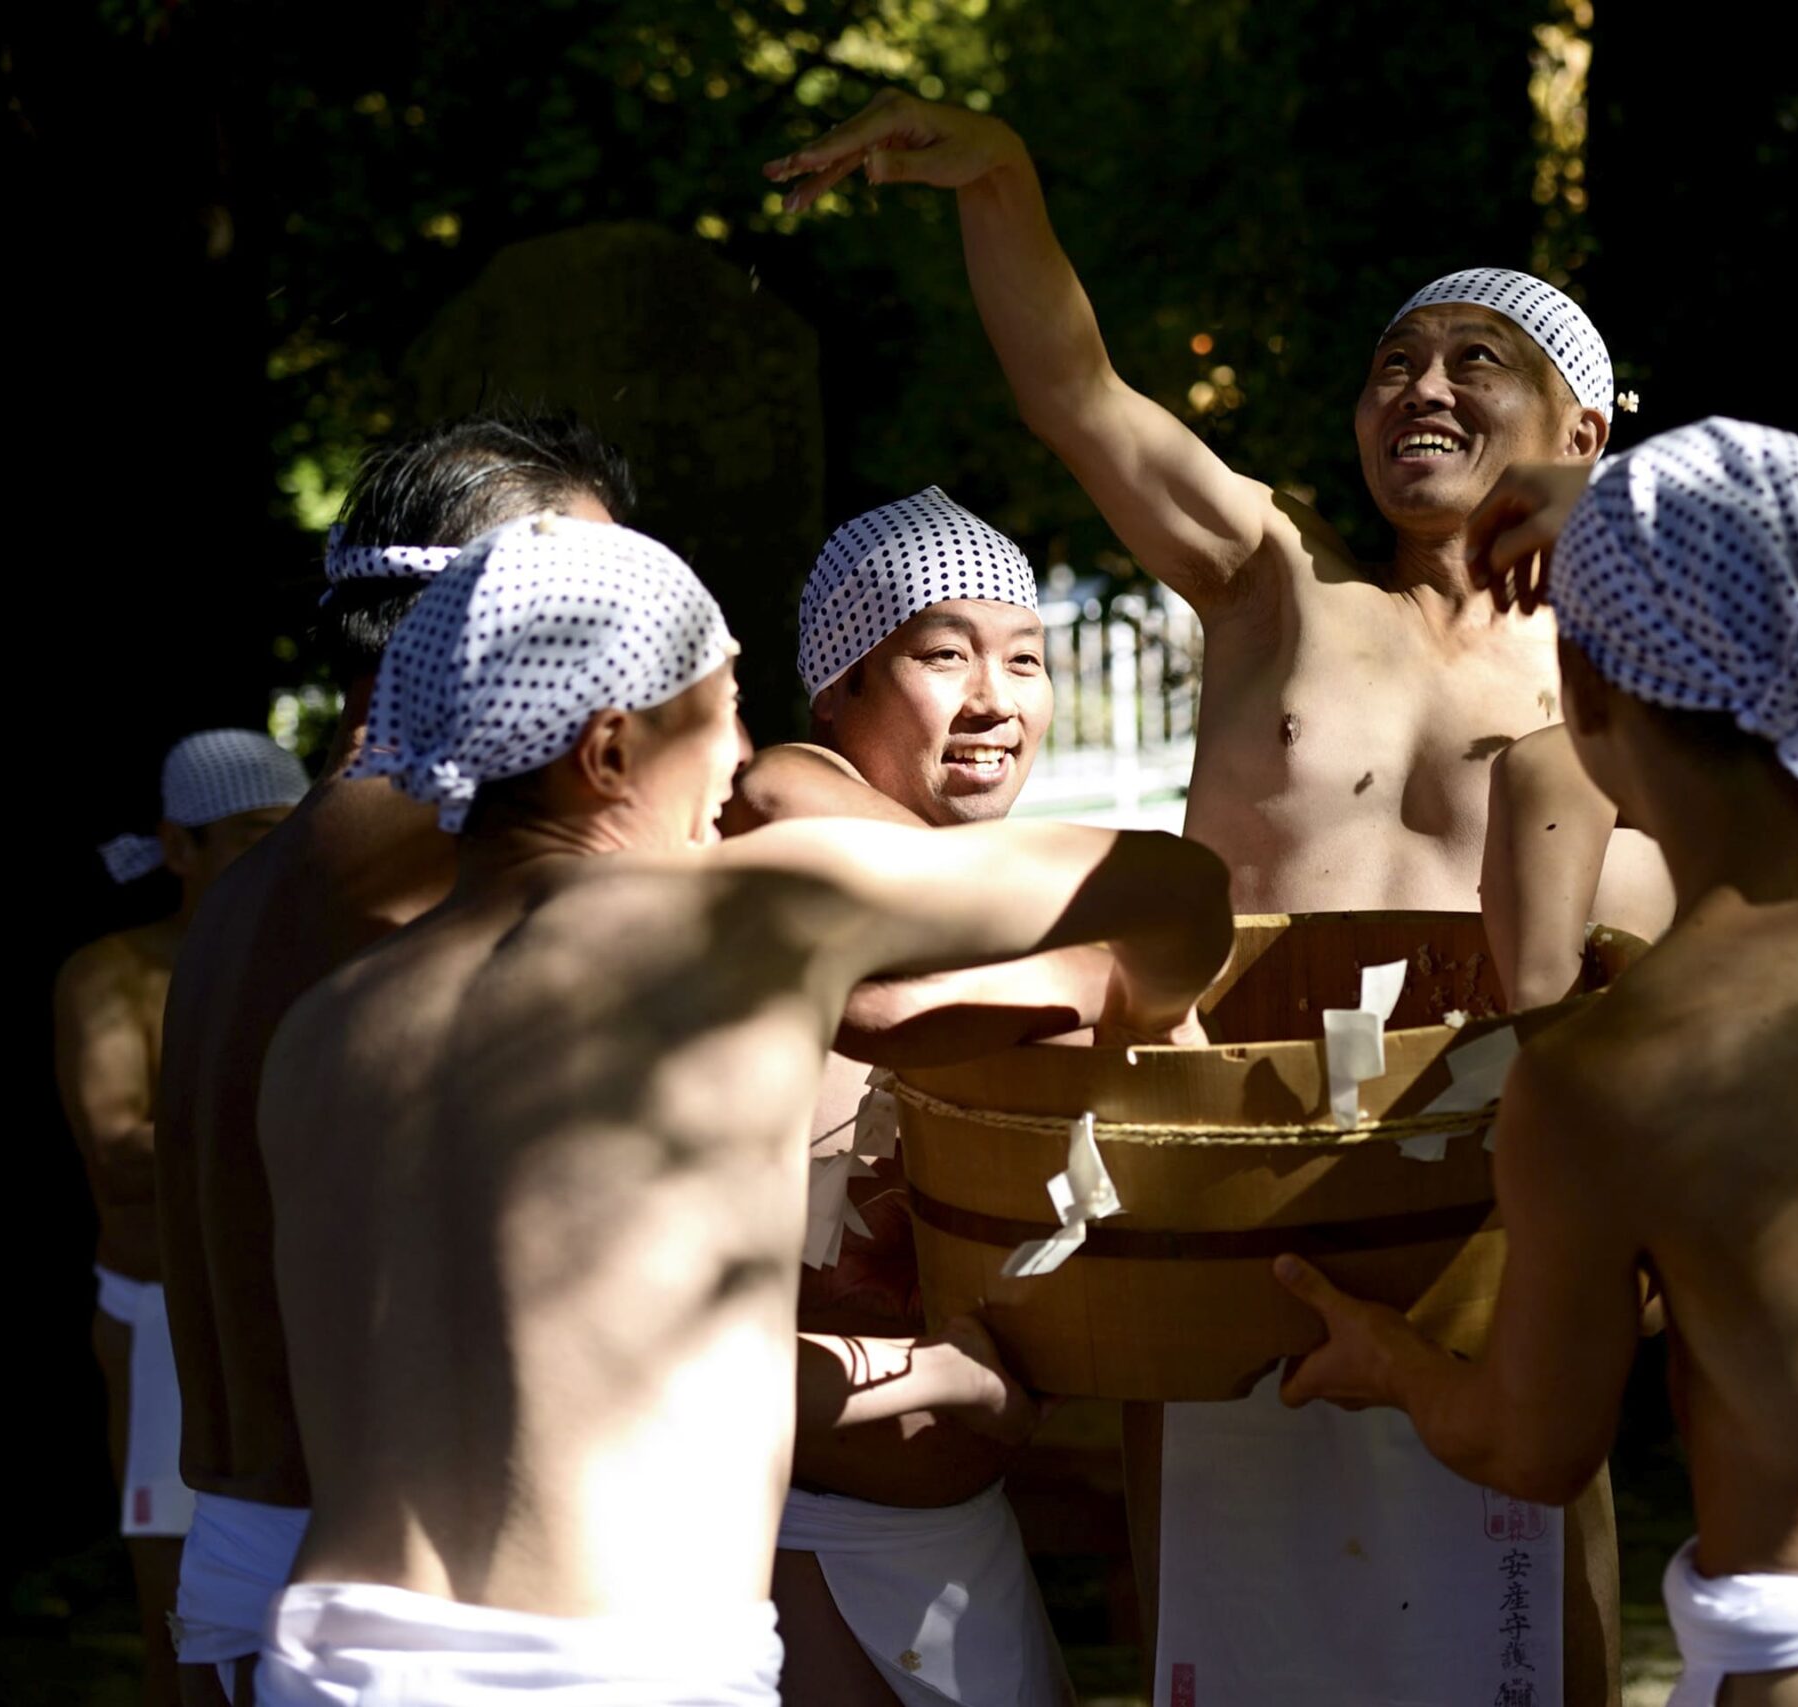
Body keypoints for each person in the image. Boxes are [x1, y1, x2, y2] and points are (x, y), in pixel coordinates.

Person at [766, 92, 1670, 1705]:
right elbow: (1078, 392)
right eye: (1396, 361)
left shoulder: (1631, 675)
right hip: (1228, 1199)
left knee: (1529, 1643)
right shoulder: (1279, 580)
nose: (1424, 386)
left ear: (1586, 431)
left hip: (1492, 1208)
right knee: (1234, 1641)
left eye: (1478, 361)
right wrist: (1003, 178)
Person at [249, 513, 1231, 1704]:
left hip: (335, 1657)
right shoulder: (742, 926)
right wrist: (1141, 1008)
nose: (737, 765)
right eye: (717, 713)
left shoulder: (327, 1026)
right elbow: (1179, 887)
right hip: (622, 1667)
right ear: (610, 751)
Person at [1280, 418, 1798, 1706]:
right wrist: (1635, 507)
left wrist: (1389, 1361)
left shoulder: (1615, 1069)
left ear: (1584, 700)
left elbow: (1533, 1447)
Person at [154, 414, 633, 1704]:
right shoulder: (437, 843)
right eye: (613, 603)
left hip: (273, 1555)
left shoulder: (264, 881)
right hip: (390, 1592)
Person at [729, 489, 1107, 1707]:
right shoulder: (775, 901)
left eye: (1026, 659)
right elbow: (652, 1337)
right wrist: (946, 1385)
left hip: (966, 1536)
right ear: (836, 686)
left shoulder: (994, 913)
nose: (995, 700)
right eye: (942, 654)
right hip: (798, 1547)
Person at [60, 730, 307, 1706]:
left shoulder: (315, 956)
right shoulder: (111, 973)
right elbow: (120, 1156)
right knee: (186, 1606)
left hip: (294, 1311)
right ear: (177, 846)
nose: (276, 861)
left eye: (289, 838)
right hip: (167, 1314)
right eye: (251, 837)